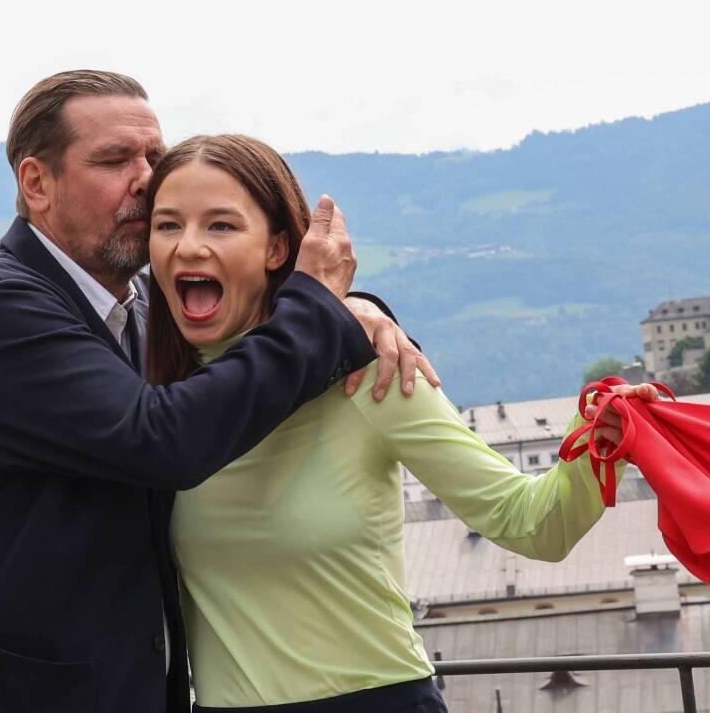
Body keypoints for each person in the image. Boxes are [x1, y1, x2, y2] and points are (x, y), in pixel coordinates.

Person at [0, 70, 437, 713]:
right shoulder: (1, 301)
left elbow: (234, 362)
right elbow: (162, 438)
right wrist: (318, 312)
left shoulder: (136, 309)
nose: (146, 178)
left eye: (153, 156)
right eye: (115, 160)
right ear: (36, 184)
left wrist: (356, 311)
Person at [141, 134, 653, 712]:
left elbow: (530, 523)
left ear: (280, 248)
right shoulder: (153, 402)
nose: (189, 247)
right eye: (167, 225)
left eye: (221, 226)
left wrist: (596, 444)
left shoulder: (371, 374)